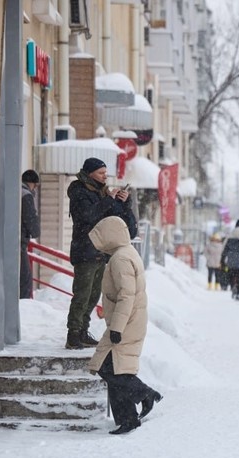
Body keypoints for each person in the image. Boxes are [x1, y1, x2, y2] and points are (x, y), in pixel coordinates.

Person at [87, 216, 162, 435]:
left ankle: (145, 393)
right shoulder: (126, 253)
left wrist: (117, 328)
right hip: (130, 319)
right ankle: (128, 419)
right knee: (116, 368)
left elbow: (126, 296)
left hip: (126, 321)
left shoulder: (120, 259)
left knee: (108, 367)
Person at [65, 157, 138, 350]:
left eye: (106, 173)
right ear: (90, 173)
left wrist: (124, 203)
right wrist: (108, 200)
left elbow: (120, 222)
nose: (105, 176)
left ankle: (83, 330)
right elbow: (87, 216)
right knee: (82, 293)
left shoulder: (102, 193)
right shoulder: (79, 191)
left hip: (101, 251)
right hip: (85, 250)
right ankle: (73, 333)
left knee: (94, 295)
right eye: (101, 173)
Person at [20, 170, 41, 299]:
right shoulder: (26, 195)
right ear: (32, 183)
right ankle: (24, 308)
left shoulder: (17, 191)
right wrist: (35, 232)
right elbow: (30, 219)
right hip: (19, 241)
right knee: (25, 279)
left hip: (14, 240)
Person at [220, 219, 239, 300]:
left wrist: (222, 261)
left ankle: (233, 286)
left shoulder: (229, 238)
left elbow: (224, 250)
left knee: (231, 276)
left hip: (231, 261)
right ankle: (237, 294)